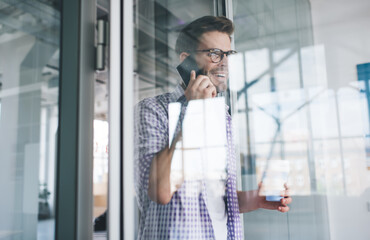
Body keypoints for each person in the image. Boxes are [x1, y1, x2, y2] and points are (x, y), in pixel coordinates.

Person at [134, 16, 292, 240]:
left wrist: (254, 199)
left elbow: (213, 198)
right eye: (215, 54)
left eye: (228, 55)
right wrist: (196, 112)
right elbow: (161, 191)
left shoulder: (223, 118)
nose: (225, 63)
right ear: (186, 61)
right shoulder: (151, 110)